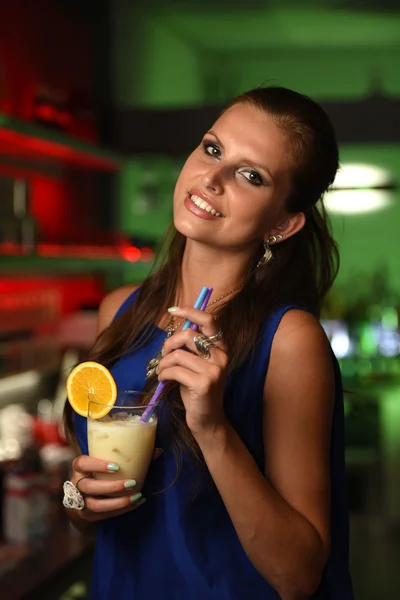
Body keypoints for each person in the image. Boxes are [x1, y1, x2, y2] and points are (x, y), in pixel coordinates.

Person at [63, 86, 354, 600]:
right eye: (212, 149)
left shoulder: (289, 341)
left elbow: (298, 576)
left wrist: (212, 426)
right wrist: (81, 501)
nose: (211, 179)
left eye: (251, 175)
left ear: (283, 224)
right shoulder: (119, 311)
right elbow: (91, 518)